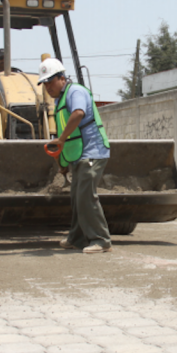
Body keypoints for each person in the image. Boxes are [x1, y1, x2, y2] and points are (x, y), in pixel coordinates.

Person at [38, 58, 112, 254]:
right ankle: (77, 238)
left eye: (50, 82)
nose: (47, 87)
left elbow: (78, 114)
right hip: (79, 154)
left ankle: (101, 240)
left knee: (86, 197)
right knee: (77, 197)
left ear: (62, 78)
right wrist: (63, 161)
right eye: (44, 83)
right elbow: (68, 133)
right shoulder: (59, 100)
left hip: (93, 152)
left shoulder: (75, 92)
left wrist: (60, 140)